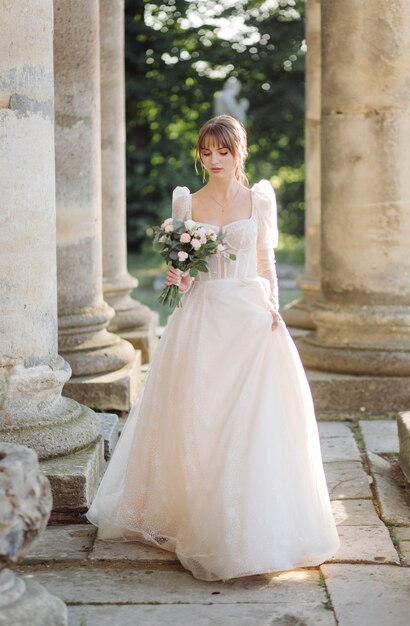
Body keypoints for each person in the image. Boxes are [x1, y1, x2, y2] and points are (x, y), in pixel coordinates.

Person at [87, 115, 340, 582]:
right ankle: (197, 511)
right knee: (197, 415)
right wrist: (177, 277)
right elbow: (183, 272)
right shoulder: (187, 201)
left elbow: (265, 262)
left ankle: (250, 519)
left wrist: (274, 310)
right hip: (202, 317)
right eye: (206, 152)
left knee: (251, 417)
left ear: (238, 150)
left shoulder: (259, 198)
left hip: (248, 316)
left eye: (222, 151)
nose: (213, 160)